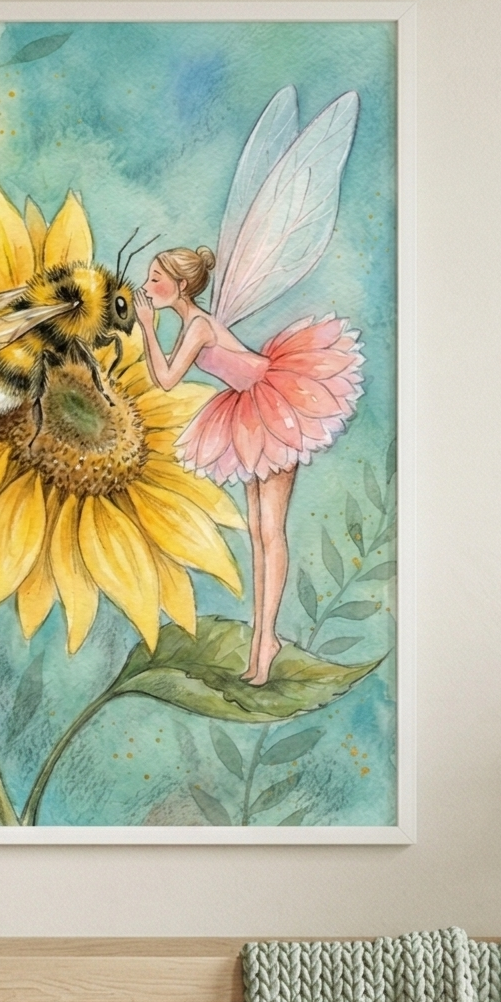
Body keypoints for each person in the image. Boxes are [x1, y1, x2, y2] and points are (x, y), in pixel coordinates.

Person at [136, 244, 363, 684]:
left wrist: (147, 326)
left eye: (156, 279)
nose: (149, 287)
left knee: (270, 532)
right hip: (247, 411)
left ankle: (265, 642)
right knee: (260, 533)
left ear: (181, 285)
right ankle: (263, 642)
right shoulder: (194, 324)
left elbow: (165, 380)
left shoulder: (199, 325)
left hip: (276, 404)